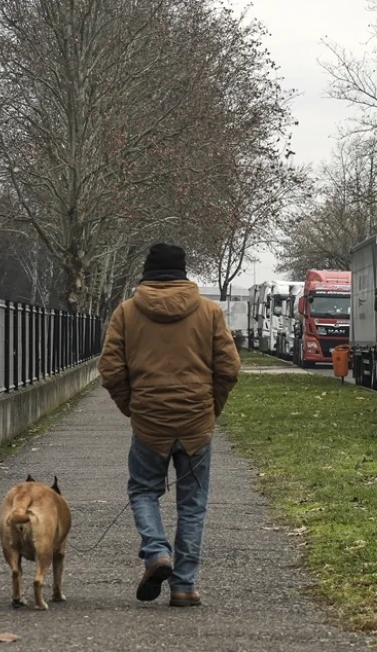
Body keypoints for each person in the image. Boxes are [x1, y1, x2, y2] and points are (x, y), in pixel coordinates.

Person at [97, 243, 241, 607]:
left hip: (149, 421)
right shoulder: (209, 312)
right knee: (192, 505)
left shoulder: (127, 312)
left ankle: (156, 550)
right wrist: (211, 409)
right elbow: (229, 368)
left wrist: (132, 407)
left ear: (147, 272)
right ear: (183, 271)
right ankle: (184, 586)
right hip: (196, 422)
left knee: (143, 491)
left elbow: (110, 370)